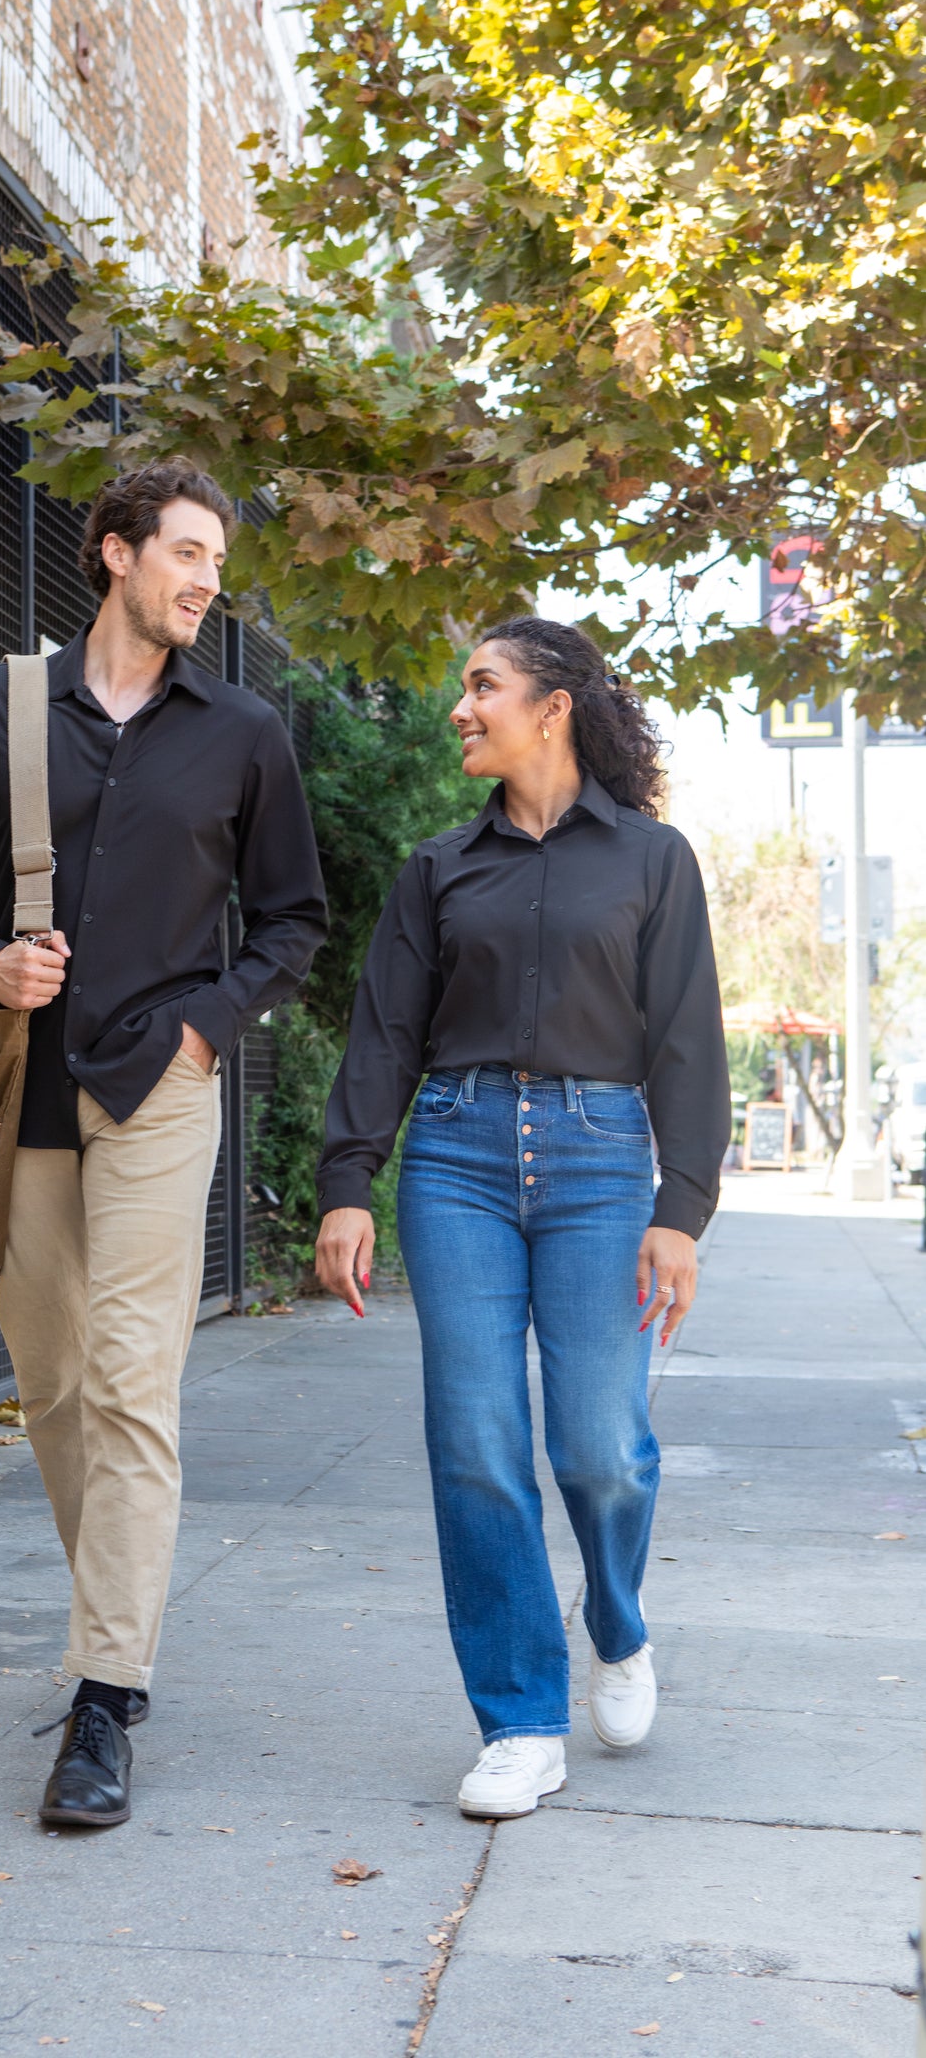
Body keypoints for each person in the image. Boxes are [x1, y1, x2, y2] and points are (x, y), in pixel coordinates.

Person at [0, 459, 327, 1828]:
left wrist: (207, 1026)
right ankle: (114, 1628)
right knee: (56, 1382)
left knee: (134, 1379)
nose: (206, 582)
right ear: (116, 553)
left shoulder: (242, 730)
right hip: (23, 1081)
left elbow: (293, 919)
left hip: (160, 1086)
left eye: (215, 562)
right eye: (186, 553)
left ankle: (103, 1694)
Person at [313, 616, 729, 1820]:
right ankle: (517, 1720)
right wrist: (346, 1181)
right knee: (476, 1442)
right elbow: (384, 1032)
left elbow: (685, 1038)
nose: (460, 706)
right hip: (456, 1156)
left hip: (600, 1162)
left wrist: (679, 1207)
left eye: (482, 685)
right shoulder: (438, 866)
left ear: (550, 708)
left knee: (599, 1445)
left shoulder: (651, 858)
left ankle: (616, 1620)